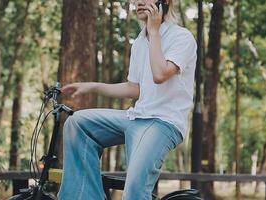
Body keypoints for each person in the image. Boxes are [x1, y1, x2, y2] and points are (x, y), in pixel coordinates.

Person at [57, 0, 197, 199]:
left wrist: (154, 32)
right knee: (77, 123)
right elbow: (134, 88)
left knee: (134, 190)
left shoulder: (182, 37)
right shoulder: (140, 42)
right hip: (136, 116)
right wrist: (93, 86)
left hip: (164, 122)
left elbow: (160, 74)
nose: (138, 2)